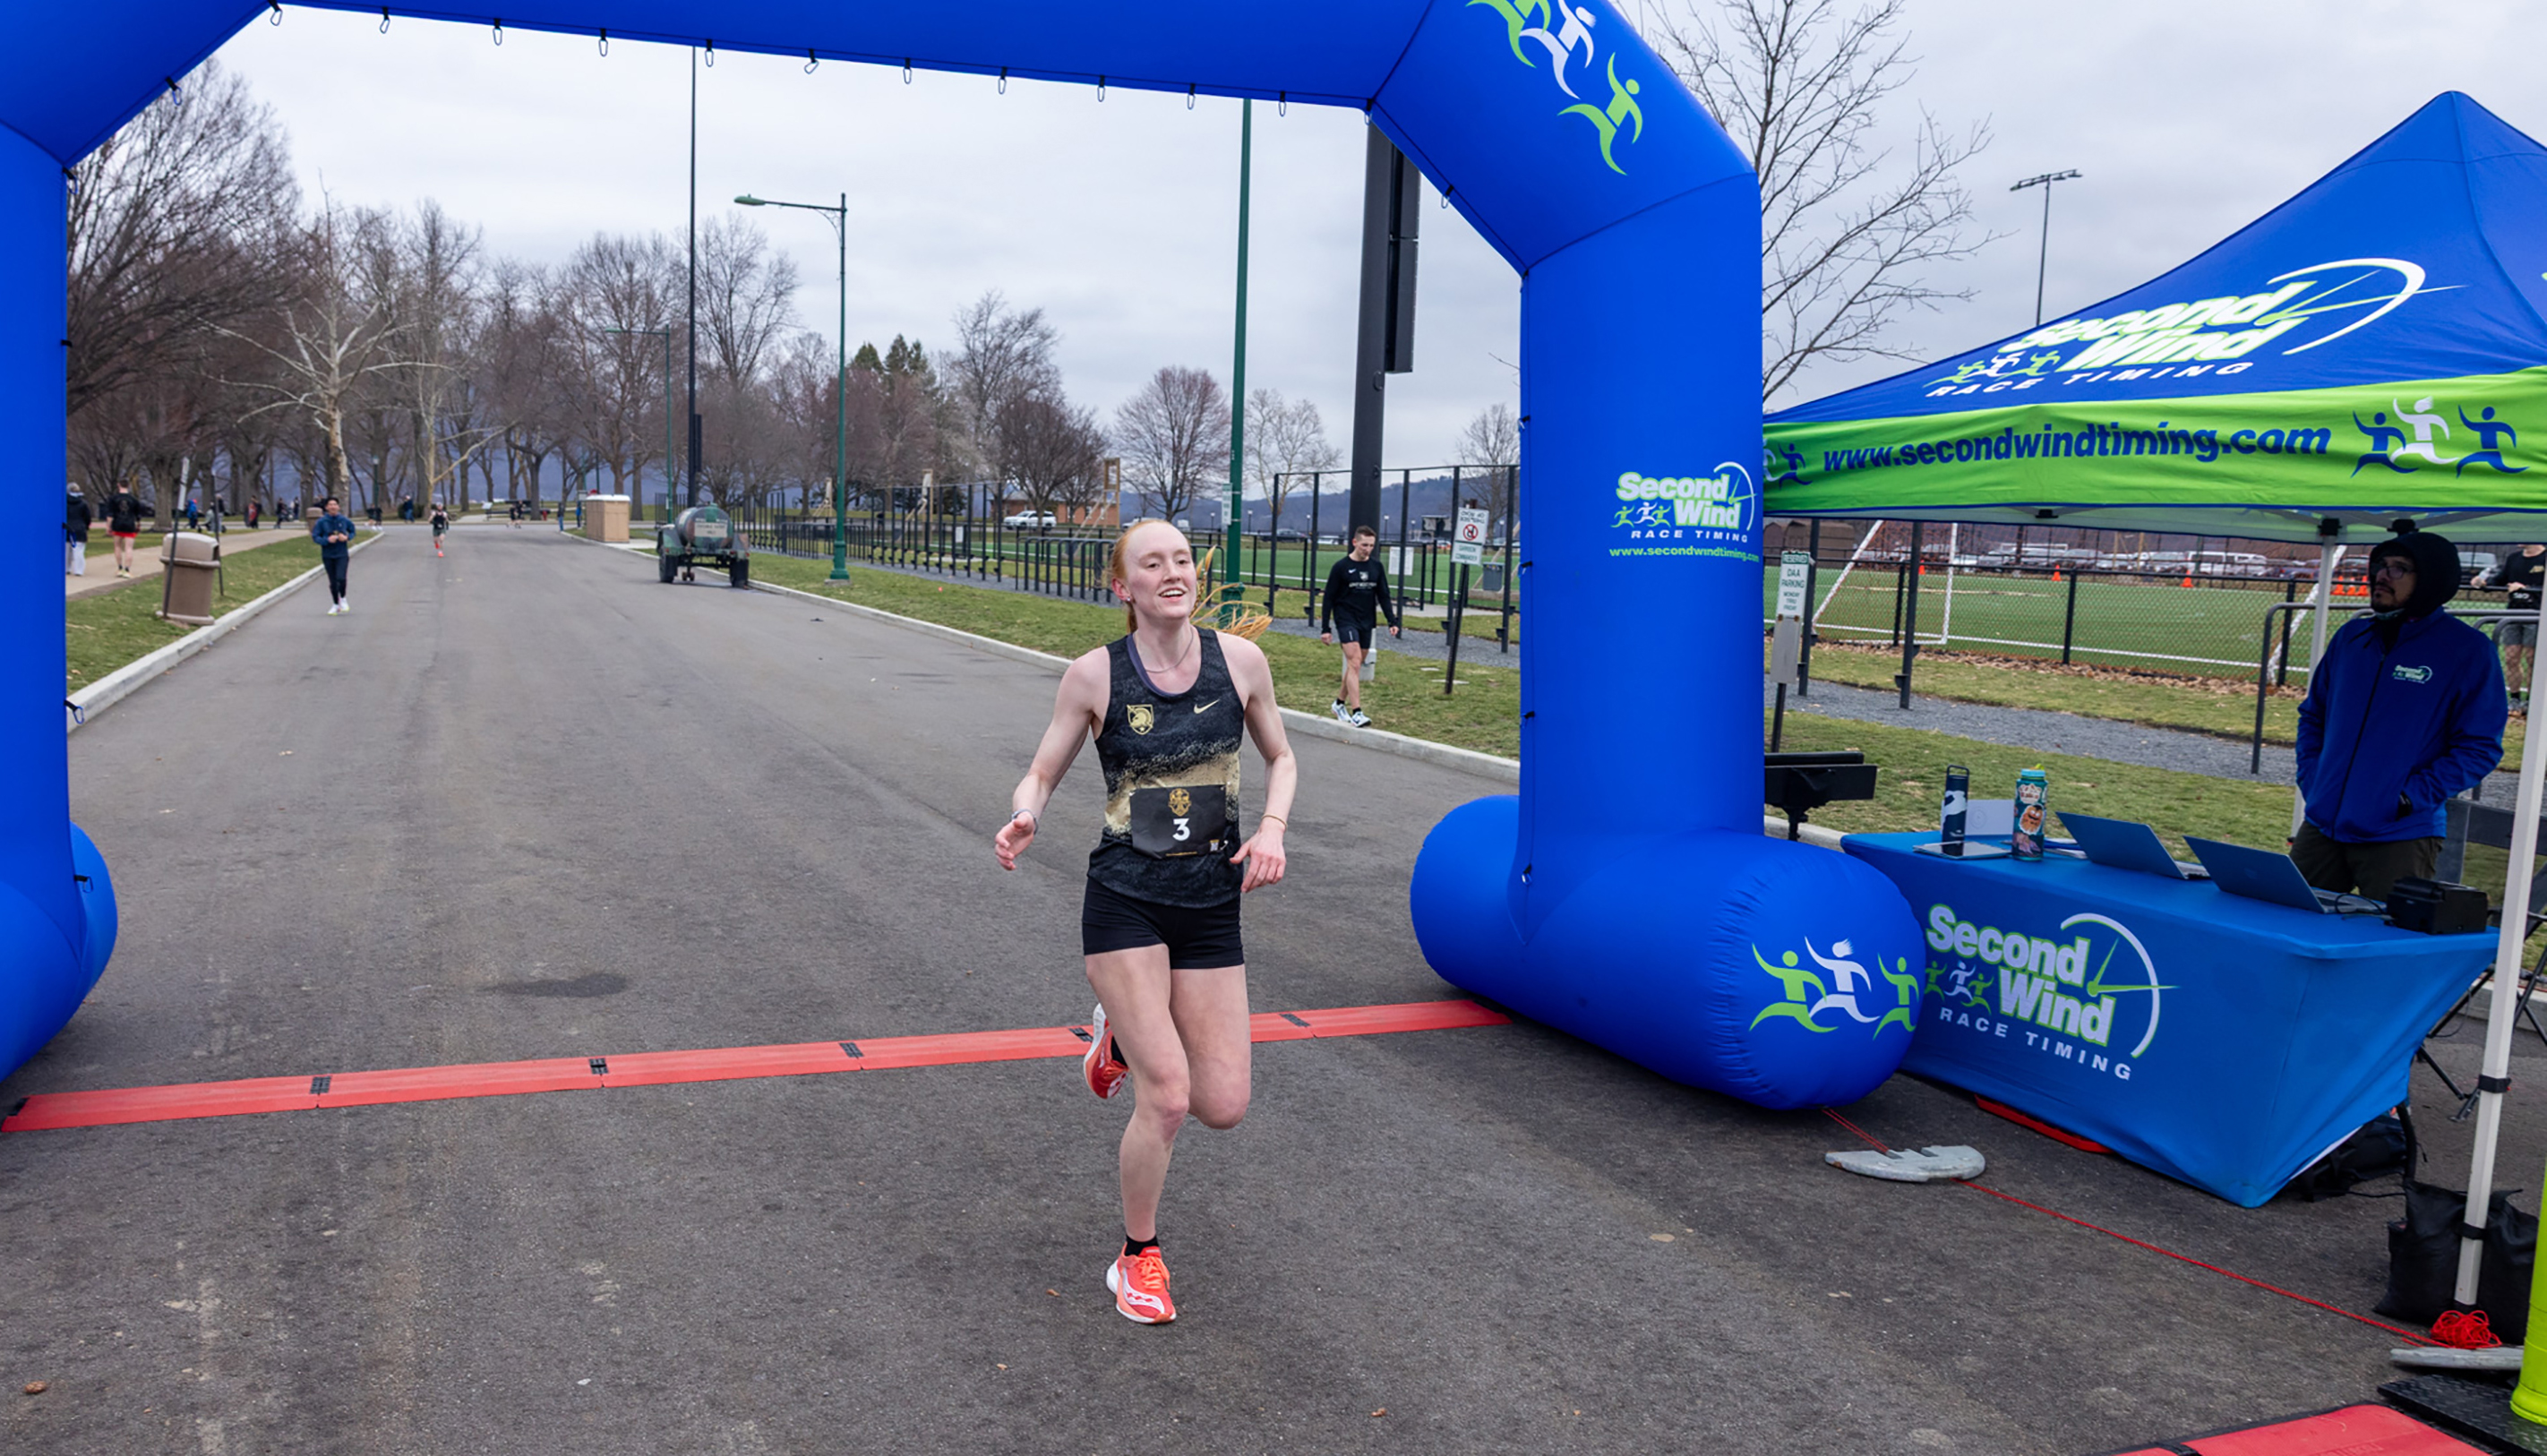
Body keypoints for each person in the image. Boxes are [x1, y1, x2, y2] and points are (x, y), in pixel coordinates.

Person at [991, 519, 1298, 1326]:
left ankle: (1120, 1035)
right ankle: (1138, 1257)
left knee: (1222, 1102)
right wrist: (1024, 816)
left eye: (1182, 559)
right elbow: (1041, 769)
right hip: (1125, 898)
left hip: (1210, 904)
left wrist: (1271, 829)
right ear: (1122, 587)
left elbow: (1283, 757)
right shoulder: (1096, 676)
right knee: (1166, 1099)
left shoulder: (1243, 663)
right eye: (1151, 563)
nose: (1173, 571)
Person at [2294, 529, 2507, 899]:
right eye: (2380, 566)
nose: (2381, 575)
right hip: (2323, 823)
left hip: (2399, 834)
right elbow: (2314, 717)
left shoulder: (2466, 650)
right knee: (2285, 925)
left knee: (2387, 946)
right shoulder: (2352, 638)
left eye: (2399, 569)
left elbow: (2479, 747)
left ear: (2430, 579)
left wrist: (2406, 798)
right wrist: (2314, 779)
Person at [1318, 525, 1402, 727]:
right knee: (1354, 662)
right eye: (1364, 544)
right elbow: (1328, 598)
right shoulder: (1341, 567)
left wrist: (1392, 620)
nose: (1368, 549)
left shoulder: (1376, 567)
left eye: (1371, 545)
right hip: (1346, 618)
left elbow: (1383, 595)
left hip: (1367, 620)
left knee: (1356, 664)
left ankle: (1339, 703)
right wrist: (1325, 628)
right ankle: (1357, 712)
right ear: (1355, 543)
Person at [2475, 544, 2543, 708]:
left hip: (2537, 615)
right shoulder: (2514, 558)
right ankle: (2515, 699)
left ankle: (2531, 701)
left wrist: (2526, 589)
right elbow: (2500, 579)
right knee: (2511, 658)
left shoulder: (2544, 558)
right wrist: (2483, 583)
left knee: (2533, 659)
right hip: (2513, 614)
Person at [311, 495, 357, 615]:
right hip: (328, 554)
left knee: (341, 578)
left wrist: (347, 537)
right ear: (326, 507)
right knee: (333, 581)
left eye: (335, 504)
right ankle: (335, 604)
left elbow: (352, 531)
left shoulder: (344, 520)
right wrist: (327, 540)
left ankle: (343, 598)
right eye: (330, 505)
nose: (333, 507)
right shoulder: (322, 522)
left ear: (338, 507)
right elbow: (315, 537)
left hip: (341, 554)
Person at [102, 481, 143, 578]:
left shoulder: (113, 499)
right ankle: (127, 569)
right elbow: (138, 515)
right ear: (128, 486)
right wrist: (138, 525)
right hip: (129, 524)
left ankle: (120, 568)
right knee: (129, 548)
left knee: (117, 546)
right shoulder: (133, 499)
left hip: (117, 524)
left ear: (118, 485)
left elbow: (110, 514)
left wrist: (108, 526)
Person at [63, 484, 90, 578]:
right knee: (78, 550)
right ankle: (79, 570)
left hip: (67, 528)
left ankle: (66, 568)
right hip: (79, 528)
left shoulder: (63, 503)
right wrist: (86, 526)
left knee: (66, 550)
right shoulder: (83, 504)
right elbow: (87, 518)